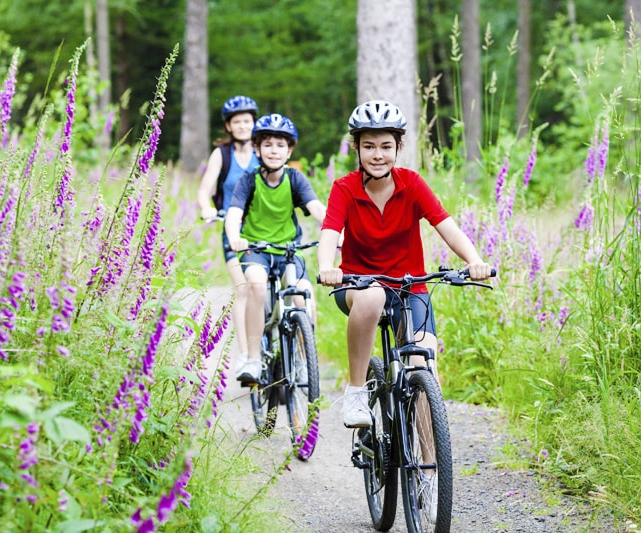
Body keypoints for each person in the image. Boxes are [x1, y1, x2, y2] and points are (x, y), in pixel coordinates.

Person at [317, 100, 493, 428]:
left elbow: (446, 225)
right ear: (356, 147)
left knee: (424, 369)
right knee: (372, 296)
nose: (378, 154)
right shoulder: (344, 188)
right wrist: (328, 265)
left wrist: (475, 260)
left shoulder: (411, 183)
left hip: (410, 288)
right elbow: (330, 230)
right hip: (357, 286)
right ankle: (356, 391)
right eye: (368, 146)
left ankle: (428, 469)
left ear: (399, 147)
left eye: (386, 146)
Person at [225, 113, 327, 382]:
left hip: (288, 251)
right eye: (267, 144)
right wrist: (235, 236)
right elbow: (234, 213)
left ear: (289, 149)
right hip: (256, 250)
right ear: (257, 148)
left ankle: (305, 359)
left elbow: (315, 207)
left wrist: (335, 229)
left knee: (303, 294)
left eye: (280, 145)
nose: (274, 150)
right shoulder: (248, 181)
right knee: (256, 286)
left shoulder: (295, 179)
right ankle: (253, 358)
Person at [197, 95, 260, 366]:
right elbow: (204, 191)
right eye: (238, 122)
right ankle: (246, 354)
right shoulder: (221, 154)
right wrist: (207, 208)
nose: (243, 126)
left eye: (247, 121)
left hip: (264, 231)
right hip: (233, 232)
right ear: (228, 126)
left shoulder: (264, 150)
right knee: (243, 288)